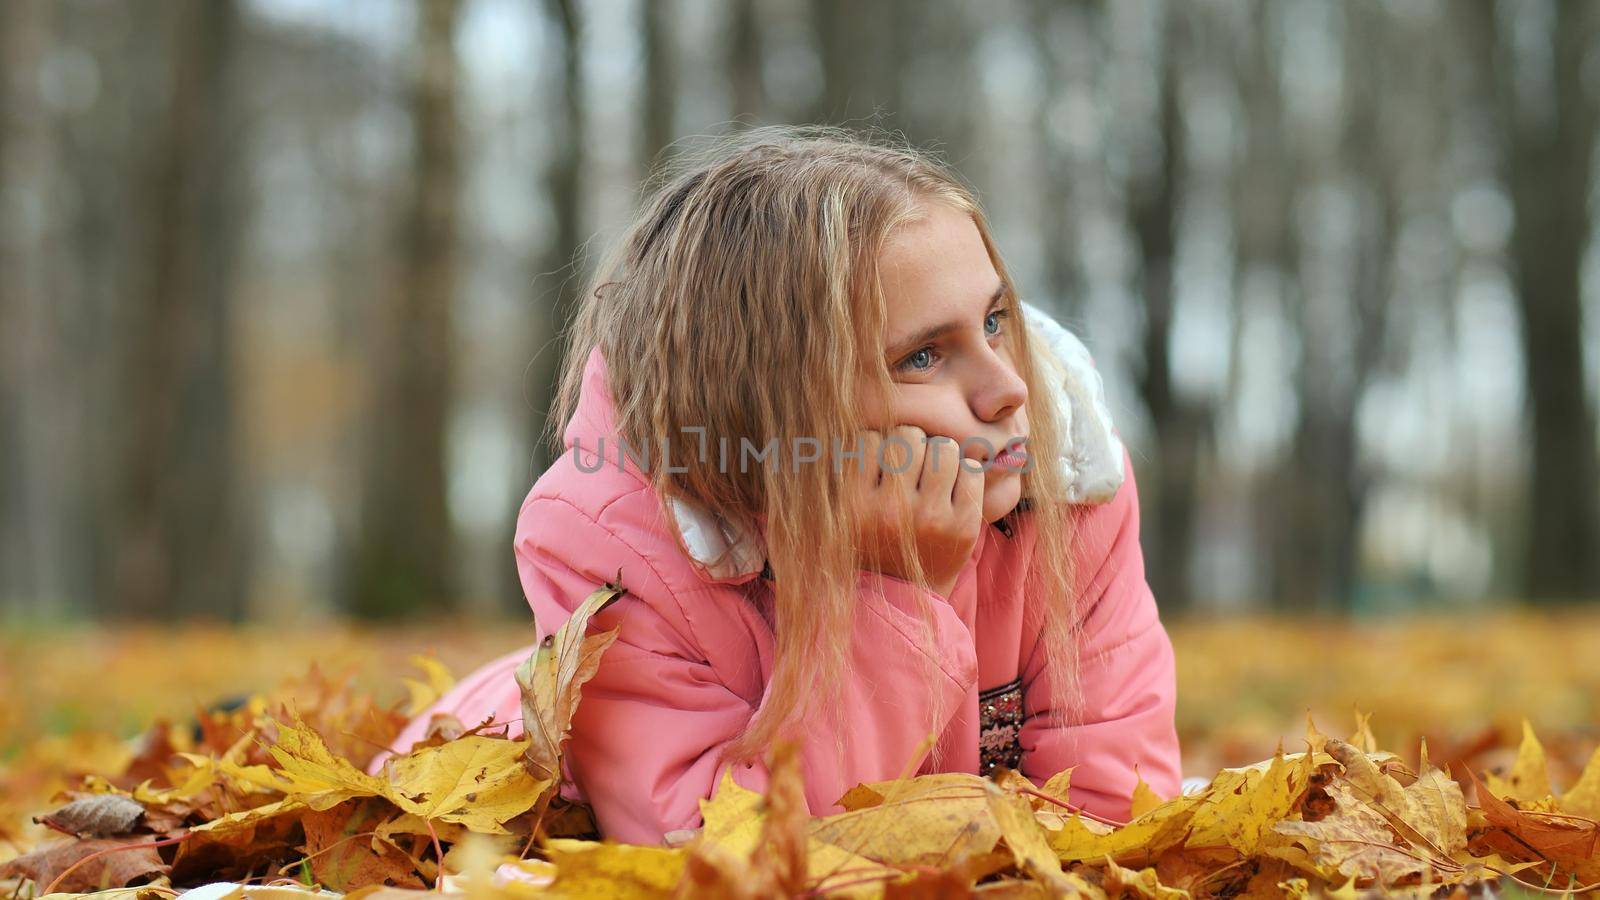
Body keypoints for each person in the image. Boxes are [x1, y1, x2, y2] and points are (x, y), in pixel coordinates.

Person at [364, 125, 1184, 845]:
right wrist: (891, 589)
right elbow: (722, 854)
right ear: (774, 402)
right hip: (470, 772)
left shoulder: (1070, 486)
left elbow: (1114, 814)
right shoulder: (610, 547)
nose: (1006, 386)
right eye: (924, 356)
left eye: (996, 320)